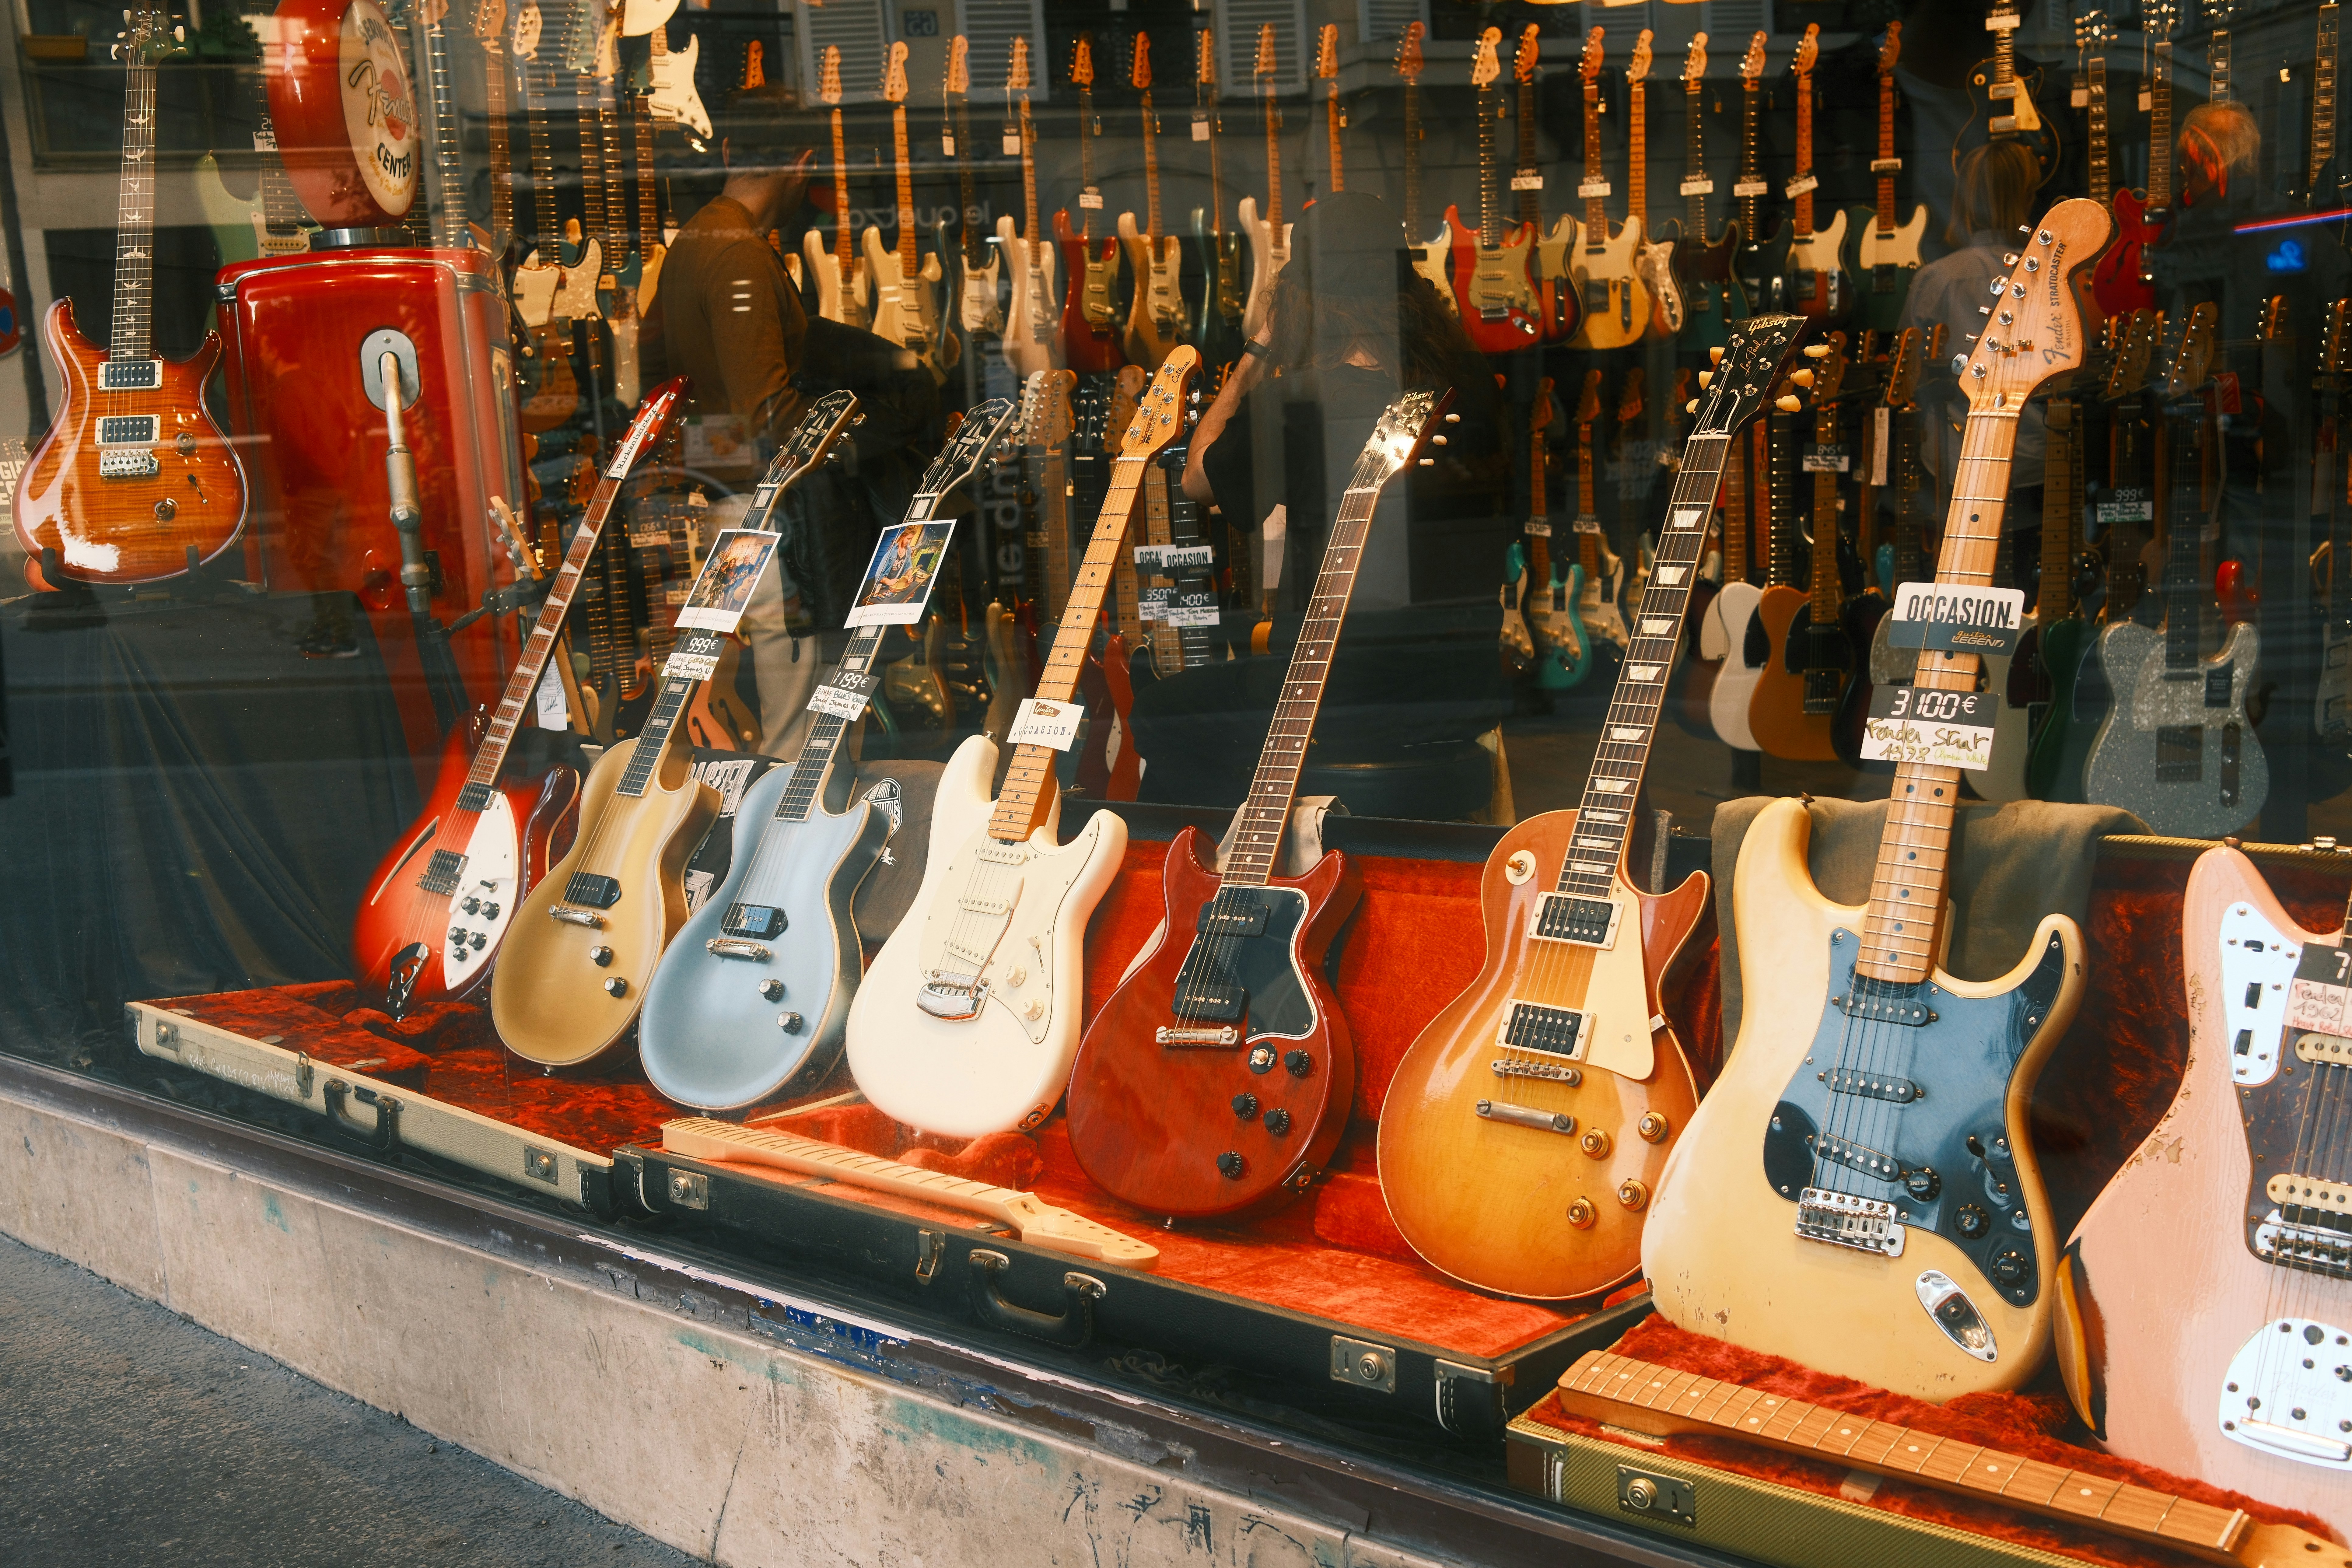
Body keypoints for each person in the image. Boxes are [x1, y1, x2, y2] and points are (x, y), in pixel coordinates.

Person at [1183, 191, 1502, 611]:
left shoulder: (1291, 404)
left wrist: (1261, 347)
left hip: (1330, 644)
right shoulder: (1469, 378)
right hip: (1458, 638)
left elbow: (1198, 482)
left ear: (1300, 302)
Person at [641, 85, 824, 758]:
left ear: (725, 148)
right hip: (766, 510)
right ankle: (784, 849)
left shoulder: (693, 241)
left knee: (765, 727)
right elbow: (767, 409)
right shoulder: (741, 252)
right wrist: (859, 436)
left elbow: (661, 375)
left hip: (723, 499)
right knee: (792, 737)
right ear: (802, 163)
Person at [1899, 139, 2046, 552]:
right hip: (2034, 463)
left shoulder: (1937, 279)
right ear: (2027, 197)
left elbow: (1907, 379)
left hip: (1955, 466)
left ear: (1963, 199)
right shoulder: (2051, 276)